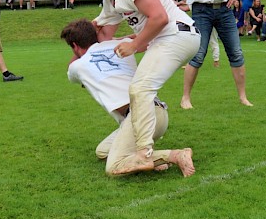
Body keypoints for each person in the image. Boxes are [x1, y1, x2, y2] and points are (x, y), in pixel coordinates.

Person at [78, 0, 200, 175]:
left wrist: (134, 44)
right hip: (167, 39)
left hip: (178, 35)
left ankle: (144, 153)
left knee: (140, 89)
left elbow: (160, 17)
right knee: (137, 91)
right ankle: (161, 157)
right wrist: (82, 52)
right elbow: (103, 33)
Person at [61, 18, 195, 177]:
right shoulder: (122, 44)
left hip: (140, 118)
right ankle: (154, 160)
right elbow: (139, 40)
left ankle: (175, 155)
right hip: (157, 113)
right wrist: (110, 40)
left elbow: (71, 68)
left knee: (114, 167)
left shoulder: (78, 66)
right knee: (103, 151)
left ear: (75, 46)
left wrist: (82, 45)